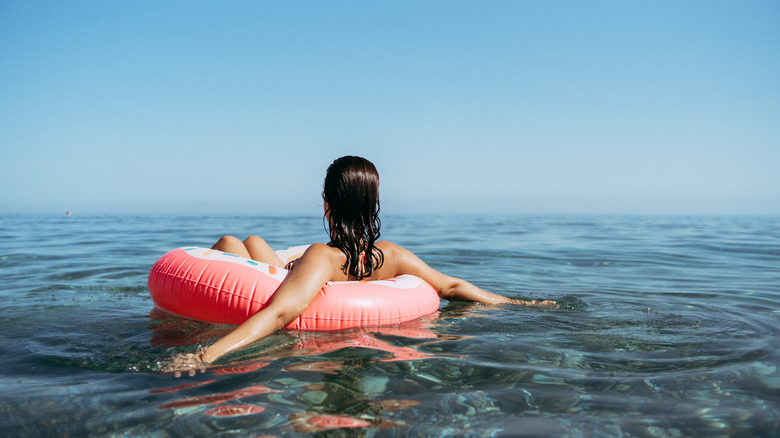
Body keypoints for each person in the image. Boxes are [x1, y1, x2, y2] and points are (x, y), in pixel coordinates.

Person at [166, 156, 555, 375]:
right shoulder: (390, 255)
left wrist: (205, 355)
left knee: (236, 243)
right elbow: (451, 286)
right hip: (343, 299)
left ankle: (183, 317)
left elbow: (282, 310)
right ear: (373, 206)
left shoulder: (323, 256)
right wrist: (519, 305)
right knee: (253, 243)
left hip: (292, 310)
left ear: (327, 204)